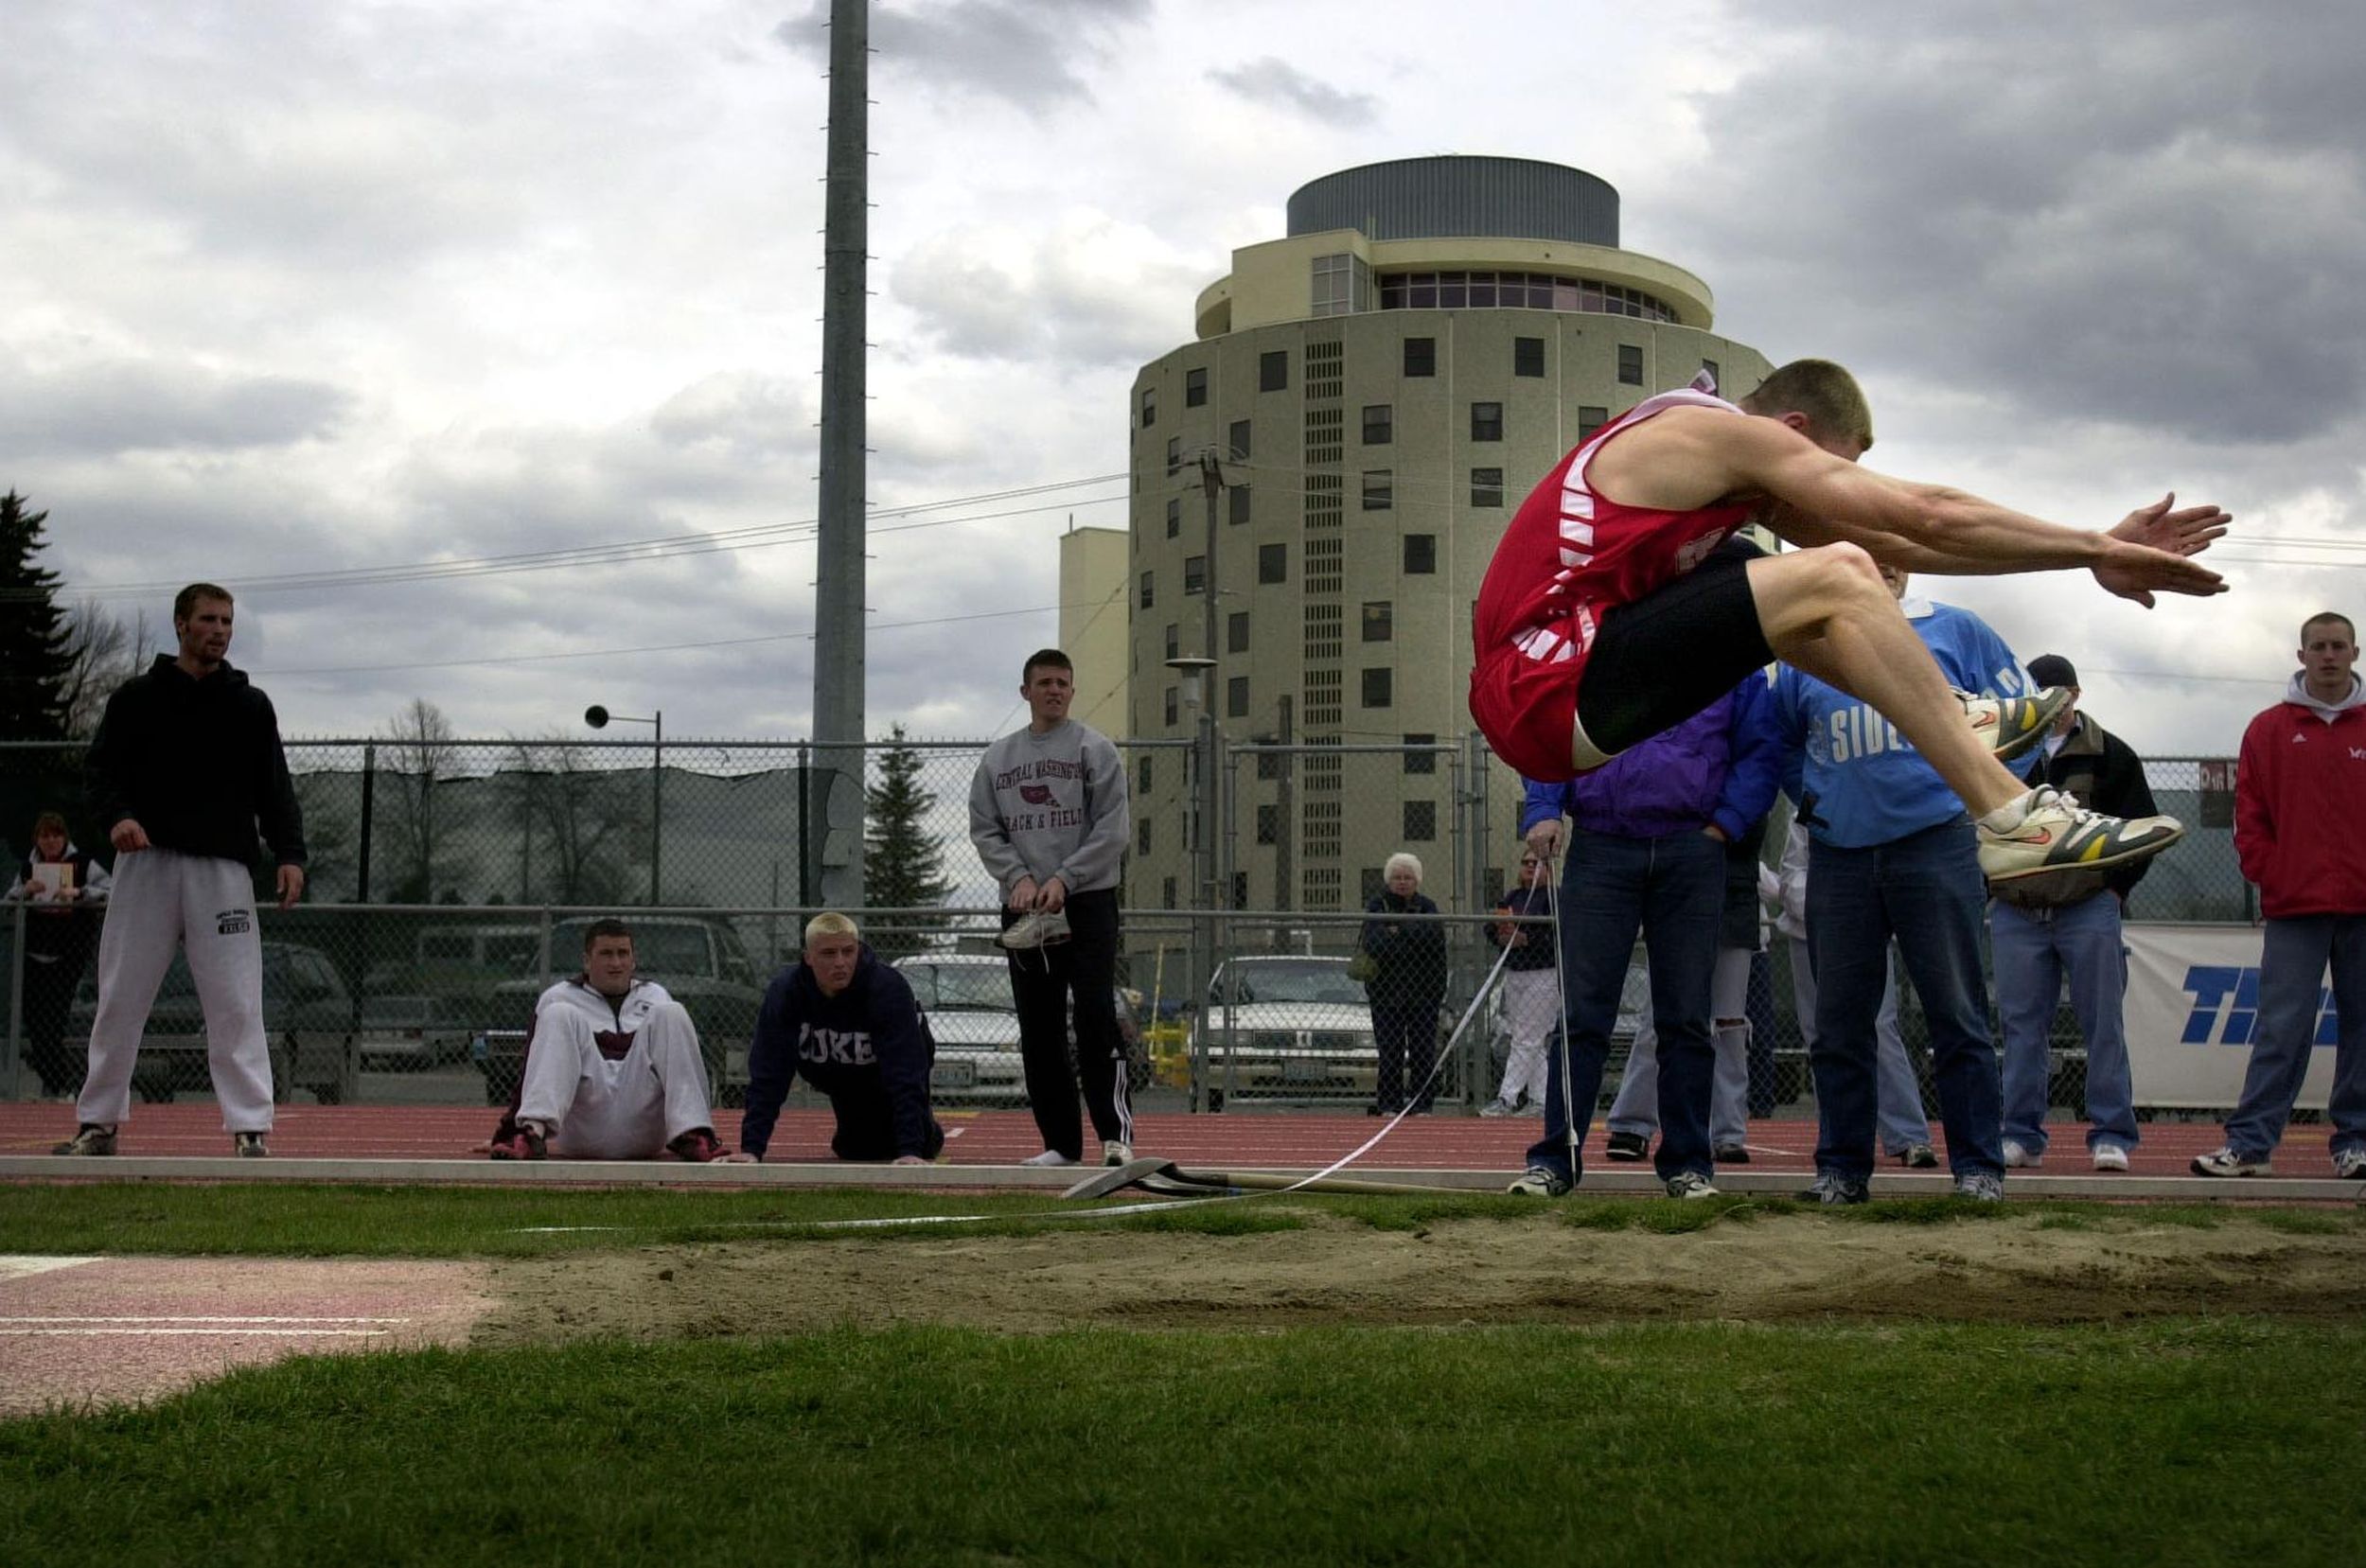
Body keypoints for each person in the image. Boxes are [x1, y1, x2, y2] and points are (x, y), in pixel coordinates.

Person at [1468, 360, 2221, 896]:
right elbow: (1924, 513)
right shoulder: (1708, 433)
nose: (1838, 489)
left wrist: (2088, 551)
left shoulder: (1727, 488)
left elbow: (1906, 544)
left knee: (1770, 573)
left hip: (1562, 681)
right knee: (1837, 572)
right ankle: (2014, 817)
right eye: (1833, 468)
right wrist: (2093, 547)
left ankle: (1953, 716)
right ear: (1792, 429)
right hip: (1542, 680)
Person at [1769, 563, 2027, 1203]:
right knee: (1839, 1024)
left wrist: (1980, 798)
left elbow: (2025, 719)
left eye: (1893, 551)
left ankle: (1978, 1169)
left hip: (1937, 844)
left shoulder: (1958, 631)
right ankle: (1841, 1170)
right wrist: (1818, 803)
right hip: (1839, 855)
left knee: (1957, 1013)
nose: (1883, 564)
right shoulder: (1810, 647)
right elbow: (1781, 740)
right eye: (1867, 549)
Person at [54, 583, 306, 1159]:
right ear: (181, 624)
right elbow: (100, 773)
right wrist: (118, 817)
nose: (219, 631)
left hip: (222, 871)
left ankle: (249, 1126)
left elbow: (275, 788)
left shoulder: (249, 706)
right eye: (208, 619)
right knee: (121, 995)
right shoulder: (136, 699)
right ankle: (99, 1122)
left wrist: (291, 854)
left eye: (227, 621)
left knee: (236, 1000)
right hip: (147, 865)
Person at [1510, 669, 1782, 1200]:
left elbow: (1760, 751)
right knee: (1582, 1016)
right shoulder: (1592, 648)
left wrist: (1726, 823)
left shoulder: (1729, 660)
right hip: (1601, 845)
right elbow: (1551, 725)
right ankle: (1554, 1161)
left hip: (1692, 848)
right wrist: (1544, 809)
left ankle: (1688, 1164)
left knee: (1686, 1018)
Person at [2193, 612, 2366, 1180]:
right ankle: (2251, 1146)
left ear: (2355, 652)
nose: (2328, 655)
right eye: (2318, 646)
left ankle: (2356, 1144)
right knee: (2280, 1029)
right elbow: (2249, 814)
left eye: (2338, 646)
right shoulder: (2267, 729)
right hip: (2295, 908)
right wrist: (2272, 876)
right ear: (2301, 655)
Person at [1990, 653, 2158, 1172]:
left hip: (2088, 908)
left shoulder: (2112, 754)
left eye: (2057, 696)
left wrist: (2115, 890)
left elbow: (2141, 828)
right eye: (2037, 695)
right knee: (2021, 1029)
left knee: (2102, 1024)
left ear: (2076, 696)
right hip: (2017, 910)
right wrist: (1991, 888)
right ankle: (2020, 1135)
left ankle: (2111, 1135)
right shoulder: (2001, 754)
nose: (2049, 704)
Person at [968, 648, 1135, 1169]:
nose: (1054, 691)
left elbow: (1113, 830)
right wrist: (1017, 878)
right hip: (1025, 909)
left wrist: (1066, 877)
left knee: (1094, 1018)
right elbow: (986, 829)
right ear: (1026, 691)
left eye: (1062, 683)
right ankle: (1062, 1145)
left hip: (1086, 903)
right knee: (1039, 1029)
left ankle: (1115, 1137)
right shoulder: (999, 760)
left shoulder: (1095, 749)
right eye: (1044, 683)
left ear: (1072, 690)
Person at [1766, 820, 1938, 1167]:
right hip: (1808, 935)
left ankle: (1908, 1136)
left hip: (1864, 932)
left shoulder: (1873, 811)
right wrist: (1826, 910)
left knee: (1880, 1028)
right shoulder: (1806, 811)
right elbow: (1792, 875)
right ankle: (1836, 1135)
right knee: (1822, 1037)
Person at [486, 918, 731, 1162]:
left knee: (672, 1012)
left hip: (643, 1126)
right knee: (559, 1012)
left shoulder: (655, 996)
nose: (616, 963)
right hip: (584, 1127)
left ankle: (693, 1134)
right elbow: (532, 1072)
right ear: (587, 961)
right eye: (606, 954)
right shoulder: (558, 996)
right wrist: (506, 1134)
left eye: (623, 954)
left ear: (633, 960)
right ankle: (529, 1135)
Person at [1599, 821, 1771, 1165]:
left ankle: (1728, 1131)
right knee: (1661, 1014)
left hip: (1734, 899)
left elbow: (1749, 827)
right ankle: (1633, 1123)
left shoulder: (1748, 788)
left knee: (1730, 1022)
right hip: (1678, 896)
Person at [735, 912, 945, 1165]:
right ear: (808, 957)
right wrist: (751, 1149)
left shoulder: (887, 988)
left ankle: (926, 1130)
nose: (840, 962)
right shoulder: (786, 992)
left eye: (848, 952)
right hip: (831, 1071)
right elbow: (768, 1073)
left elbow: (906, 1074)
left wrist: (910, 1150)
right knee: (853, 1149)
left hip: (881, 1070)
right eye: (828, 953)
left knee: (916, 1145)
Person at [7, 812, 113, 1099]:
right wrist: (25, 892)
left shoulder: (83, 864)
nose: (51, 841)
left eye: (56, 835)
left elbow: (109, 889)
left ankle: (58, 1083)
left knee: (55, 1016)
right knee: (33, 1018)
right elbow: (10, 899)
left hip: (68, 954)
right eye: (45, 836)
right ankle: (54, 1080)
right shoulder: (28, 867)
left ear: (64, 838)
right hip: (34, 952)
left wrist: (79, 893)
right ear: (37, 840)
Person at [1359, 853, 1448, 1116]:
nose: (1402, 882)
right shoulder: (1377, 906)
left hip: (1424, 993)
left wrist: (1398, 930)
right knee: (1390, 1050)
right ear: (1388, 880)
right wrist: (1409, 935)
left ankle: (1422, 1103)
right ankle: (1389, 1103)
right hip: (1385, 993)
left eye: (1408, 877)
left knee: (1423, 1050)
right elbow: (1375, 943)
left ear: (1417, 880)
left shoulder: (1427, 907)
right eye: (1397, 877)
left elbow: (1432, 939)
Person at [1480, 849, 1557, 1117]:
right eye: (1526, 862)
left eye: (1537, 863)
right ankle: (1540, 1100)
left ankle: (1507, 1098)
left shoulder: (1554, 898)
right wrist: (1501, 935)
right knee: (1529, 1039)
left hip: (1543, 973)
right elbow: (1492, 928)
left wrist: (1527, 939)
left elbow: (1558, 936)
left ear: (1548, 869)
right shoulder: (1513, 897)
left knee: (1526, 1037)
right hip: (1515, 972)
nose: (1530, 867)